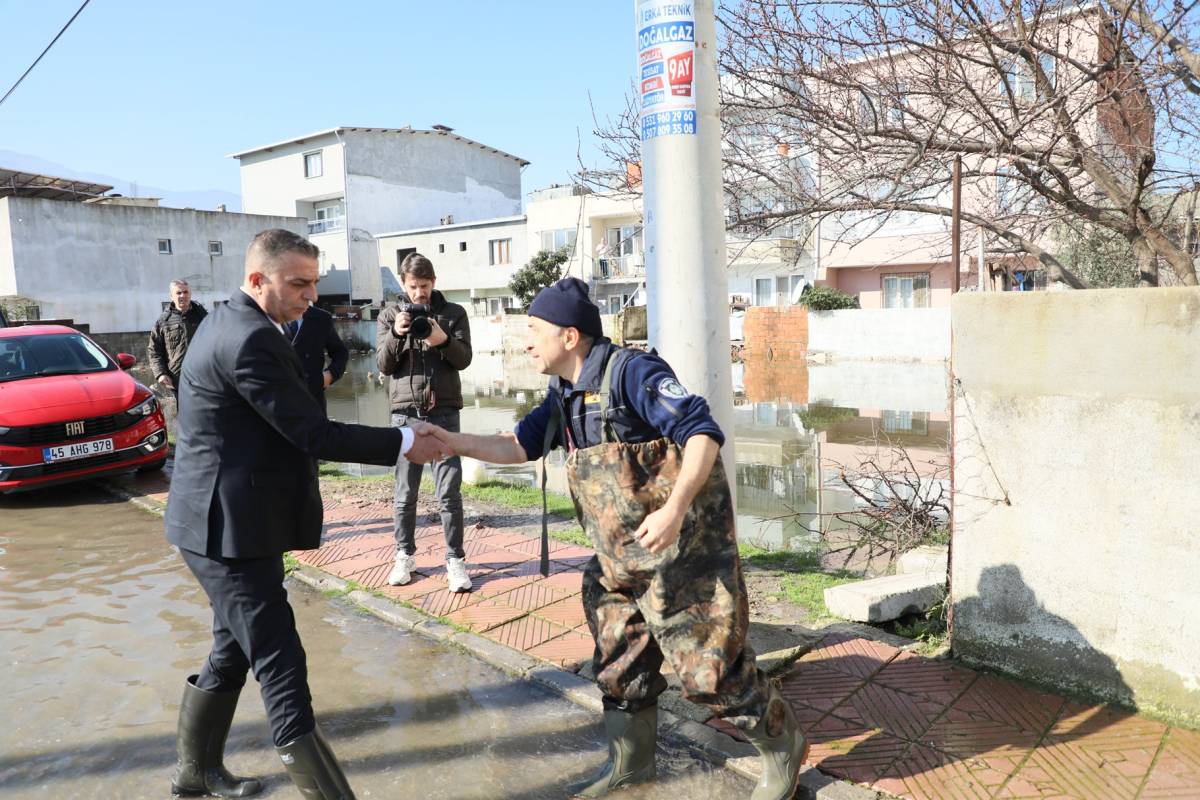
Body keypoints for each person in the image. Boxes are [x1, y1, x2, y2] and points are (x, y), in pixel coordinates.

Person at [420, 278, 808, 800]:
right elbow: (517, 445)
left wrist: (674, 509)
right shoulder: (564, 394)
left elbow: (702, 432)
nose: (526, 341)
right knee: (619, 662)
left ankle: (784, 746)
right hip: (617, 561)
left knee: (709, 672)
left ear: (569, 336)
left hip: (682, 555)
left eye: (533, 330)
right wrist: (450, 441)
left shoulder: (633, 373)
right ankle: (632, 768)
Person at [165, 229, 450, 800]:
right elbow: (312, 432)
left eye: (315, 282)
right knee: (281, 663)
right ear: (256, 280)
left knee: (232, 648)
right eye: (299, 283)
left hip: (229, 522)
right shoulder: (248, 338)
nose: (312, 296)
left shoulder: (232, 322)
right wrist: (403, 441)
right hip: (225, 531)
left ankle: (194, 774)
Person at [376, 253, 474, 593]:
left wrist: (441, 339)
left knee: (449, 492)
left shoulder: (453, 313)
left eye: (425, 286)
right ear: (404, 285)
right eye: (414, 286)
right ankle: (404, 555)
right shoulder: (390, 315)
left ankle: (455, 560)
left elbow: (464, 359)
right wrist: (397, 333)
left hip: (444, 412)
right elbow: (384, 365)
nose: (419, 293)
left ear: (434, 283)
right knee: (405, 492)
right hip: (406, 413)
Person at [148, 278, 207, 396]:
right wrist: (161, 374)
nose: (182, 296)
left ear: (190, 294)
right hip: (177, 382)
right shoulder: (163, 321)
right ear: (171, 296)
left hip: (203, 380)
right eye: (178, 293)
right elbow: (154, 351)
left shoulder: (203, 317)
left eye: (185, 292)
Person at [286, 303, 349, 411]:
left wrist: (329, 375)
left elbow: (340, 352)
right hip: (278, 401)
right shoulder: (265, 317)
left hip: (313, 400)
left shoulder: (321, 318)